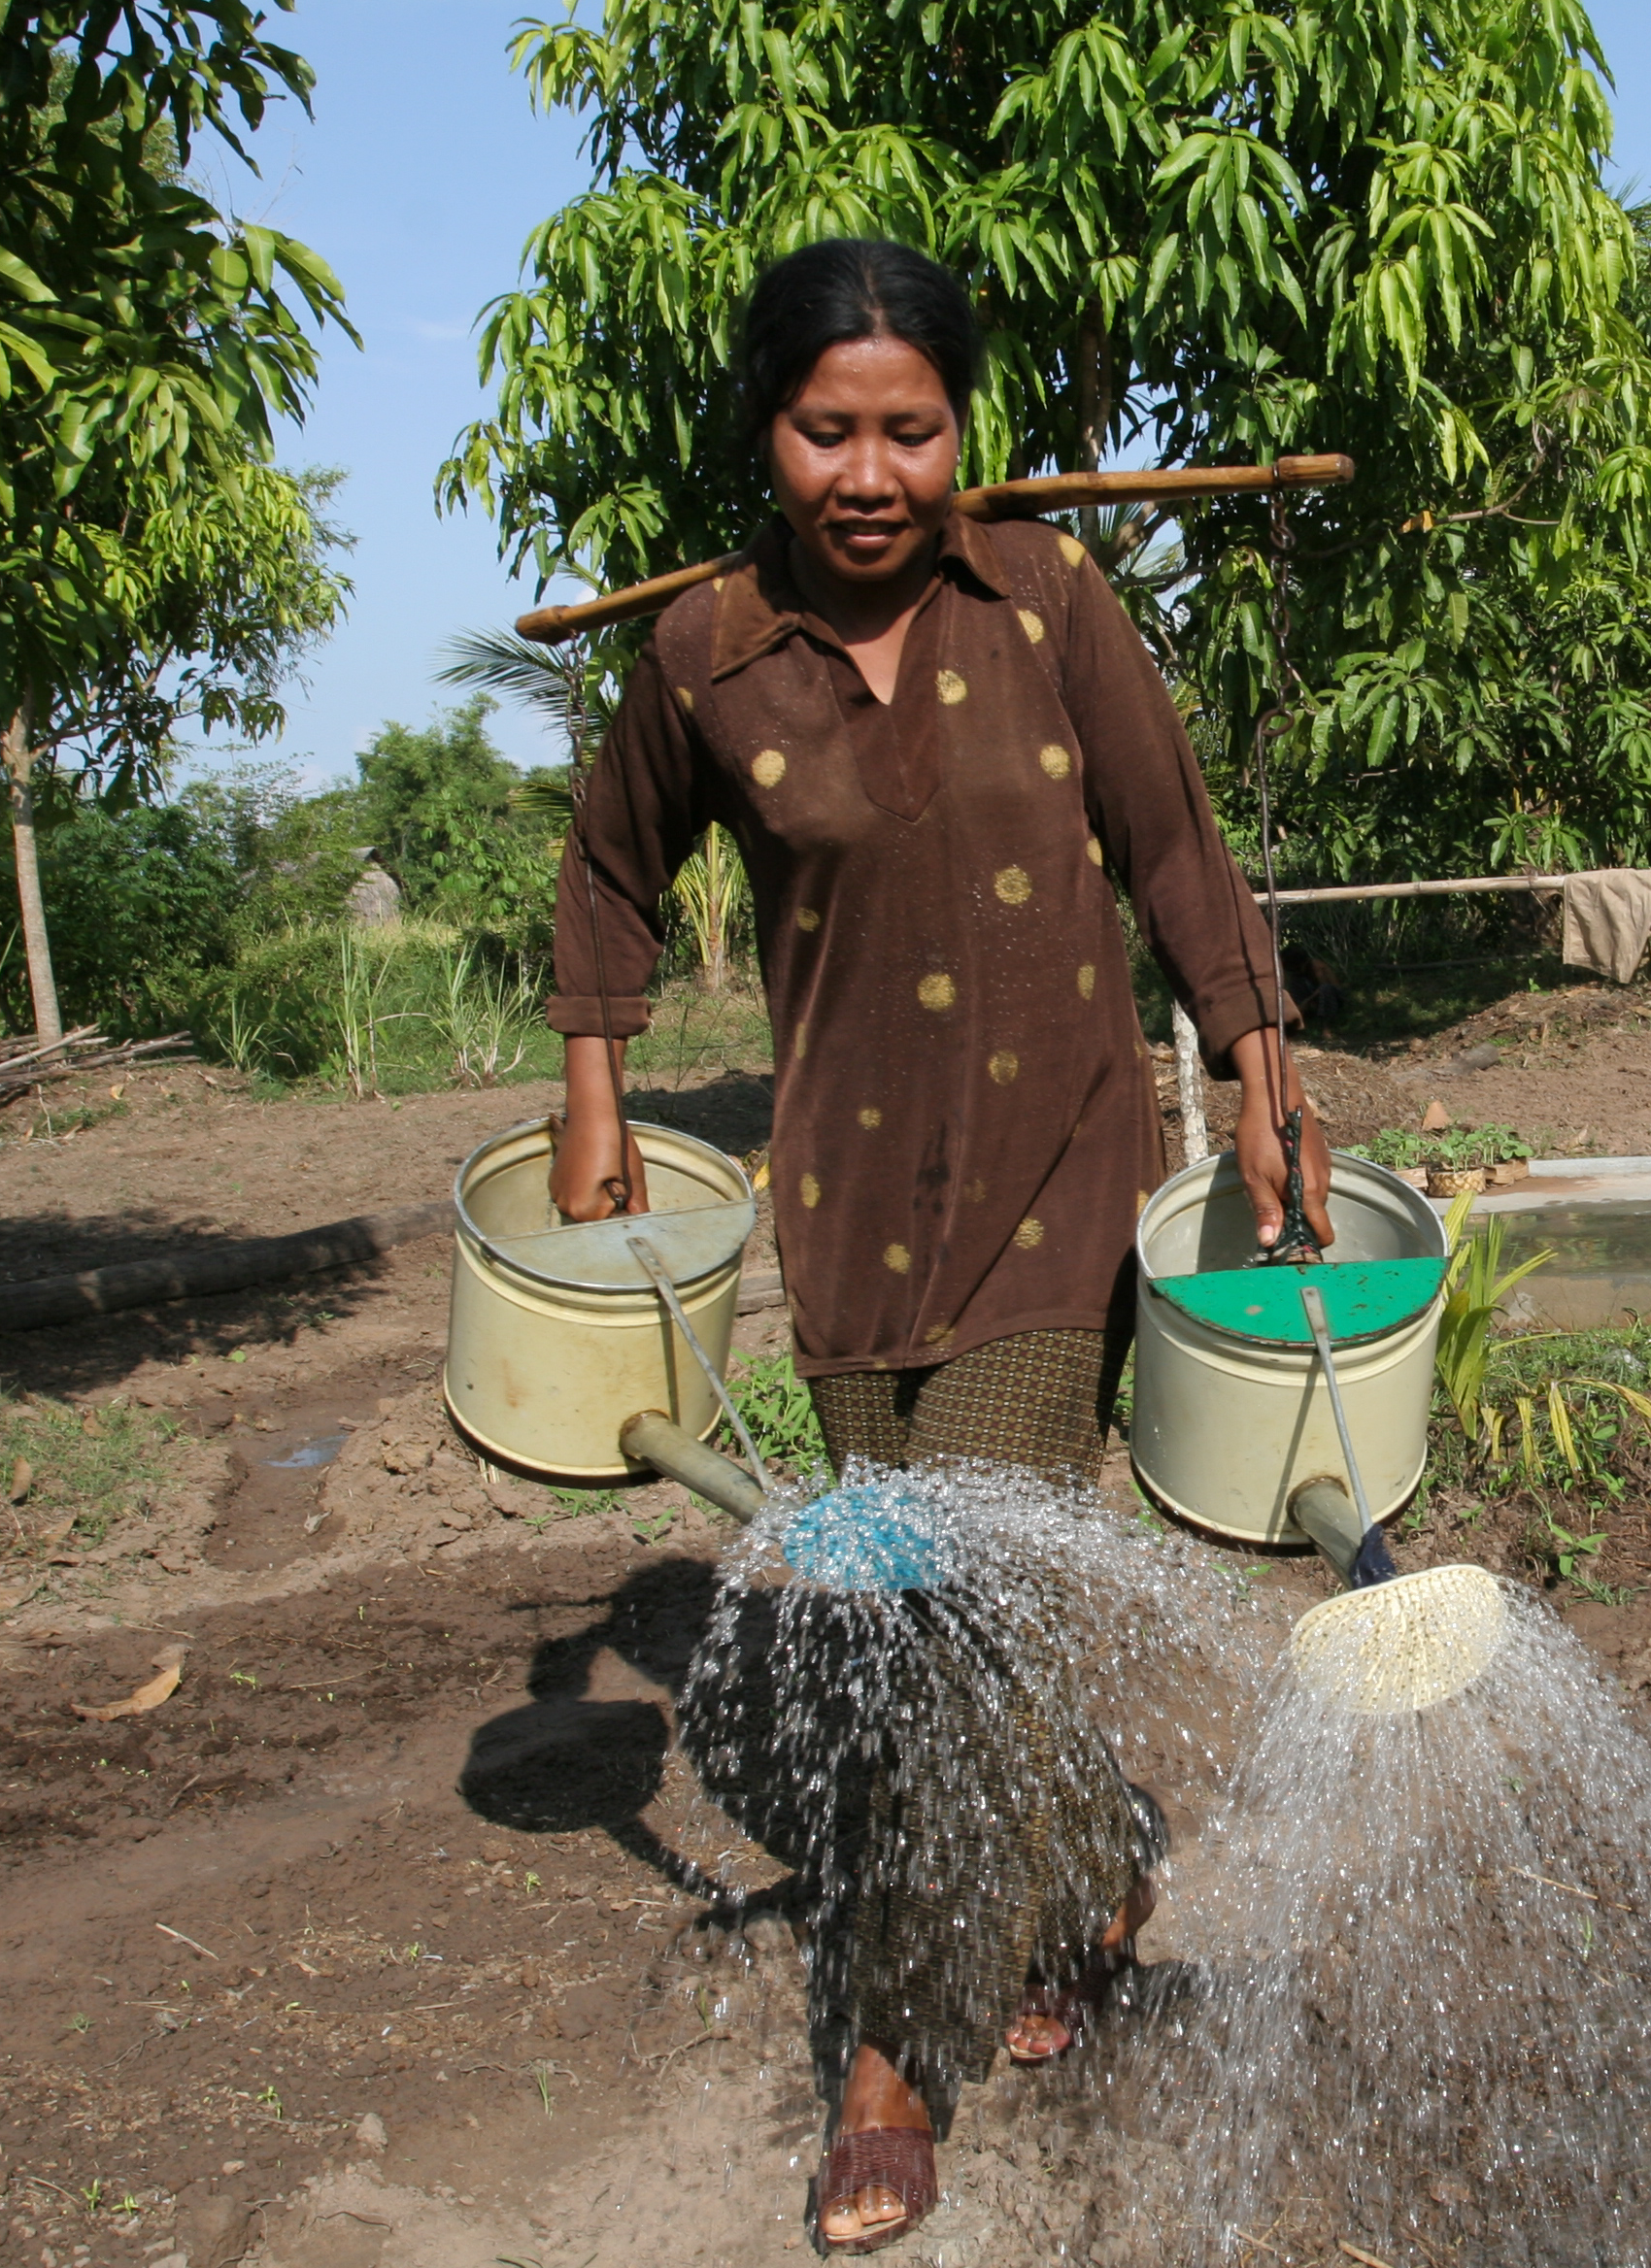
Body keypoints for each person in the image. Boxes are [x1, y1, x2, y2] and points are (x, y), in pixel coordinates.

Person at [540, 236, 1333, 2254]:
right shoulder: (707, 655)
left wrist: (1258, 1062)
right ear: (772, 434)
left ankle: (891, 2066)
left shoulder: (1054, 600)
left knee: (941, 1623)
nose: (872, 472)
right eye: (829, 431)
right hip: (845, 1210)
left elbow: (1173, 844)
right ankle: (1086, 1875)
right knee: (949, 1616)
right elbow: (611, 868)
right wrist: (596, 1088)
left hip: (1056, 1185)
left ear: (963, 432)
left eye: (914, 428)